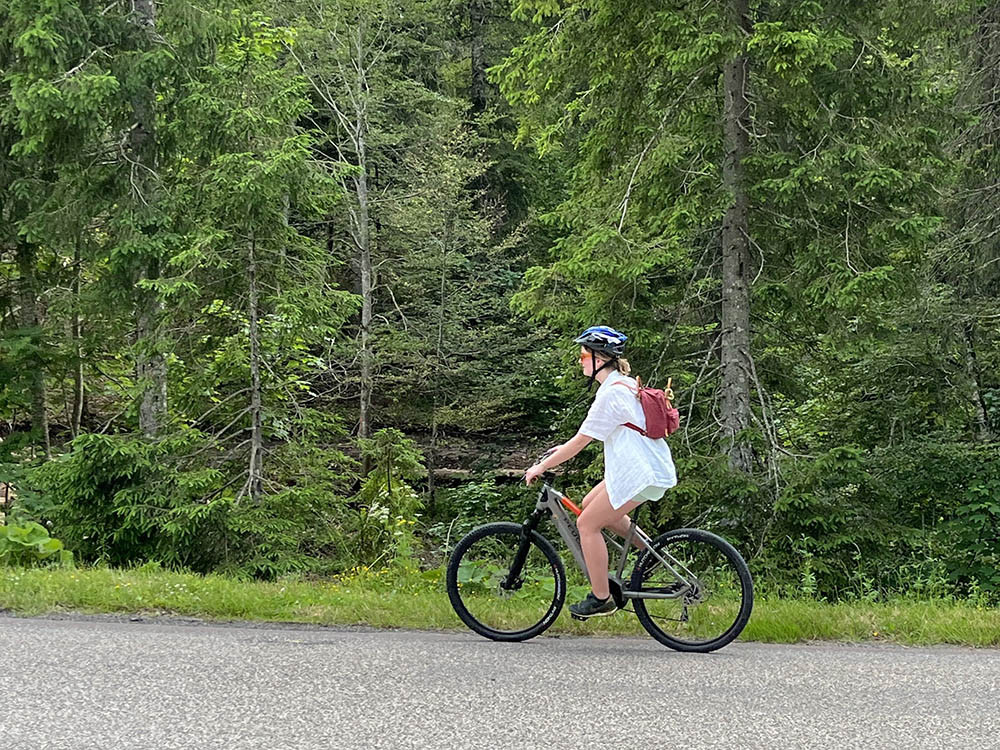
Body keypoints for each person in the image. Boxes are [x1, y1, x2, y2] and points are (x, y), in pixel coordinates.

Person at [523, 326, 677, 618]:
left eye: (584, 354)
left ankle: (601, 597)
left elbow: (581, 441)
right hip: (643, 469)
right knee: (589, 505)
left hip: (639, 473)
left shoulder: (610, 395)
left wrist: (541, 466)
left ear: (600, 359)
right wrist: (558, 452)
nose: (580, 360)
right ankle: (649, 554)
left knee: (588, 525)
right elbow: (587, 435)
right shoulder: (625, 384)